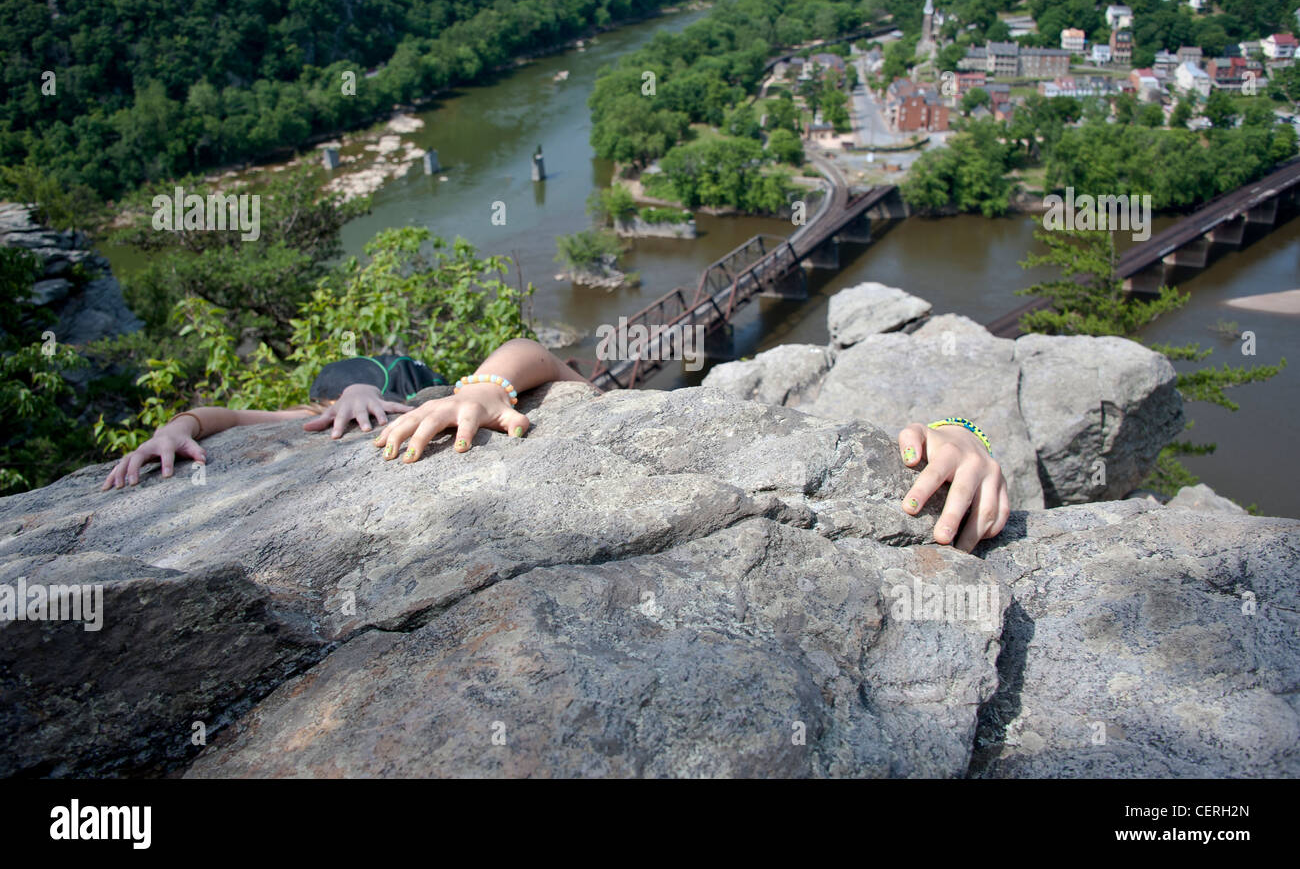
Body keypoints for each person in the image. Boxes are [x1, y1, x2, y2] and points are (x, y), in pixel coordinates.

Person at [101, 338, 1009, 551]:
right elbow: (221, 420)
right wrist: (171, 432)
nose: (343, 409)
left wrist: (483, 386)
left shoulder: (485, 395)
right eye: (341, 399)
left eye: (355, 394)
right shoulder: (335, 418)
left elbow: (547, 363)